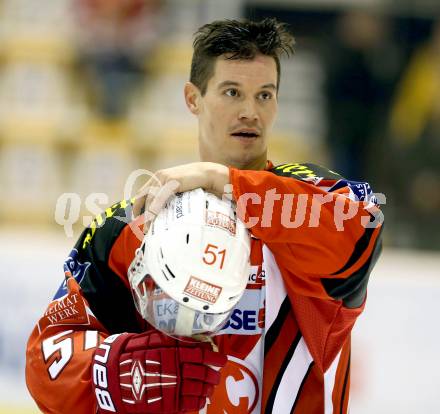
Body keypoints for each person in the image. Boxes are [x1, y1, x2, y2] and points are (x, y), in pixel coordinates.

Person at [26, 18, 383, 413]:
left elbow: (361, 228)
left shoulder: (307, 204)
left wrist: (225, 180)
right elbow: (48, 356)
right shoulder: (133, 225)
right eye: (232, 92)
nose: (250, 111)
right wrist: (113, 365)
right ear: (193, 98)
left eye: (265, 95)